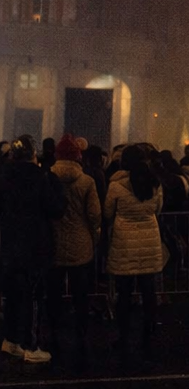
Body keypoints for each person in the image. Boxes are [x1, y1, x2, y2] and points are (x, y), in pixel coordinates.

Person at [0, 135, 66, 364]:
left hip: (8, 245)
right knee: (32, 296)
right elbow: (56, 209)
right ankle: (31, 345)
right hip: (34, 246)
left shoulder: (4, 175)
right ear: (32, 154)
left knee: (11, 295)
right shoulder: (40, 177)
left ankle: (10, 341)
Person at [105, 144, 164, 354]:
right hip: (149, 239)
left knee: (124, 292)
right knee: (149, 291)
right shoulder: (155, 183)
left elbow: (108, 212)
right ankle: (149, 333)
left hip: (124, 242)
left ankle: (124, 335)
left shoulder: (115, 186)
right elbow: (158, 209)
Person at [47, 135, 101, 360]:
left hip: (54, 242)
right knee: (80, 292)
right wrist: (93, 234)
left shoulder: (48, 178)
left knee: (54, 292)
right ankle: (81, 329)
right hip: (81, 243)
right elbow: (95, 214)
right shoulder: (87, 181)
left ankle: (53, 331)